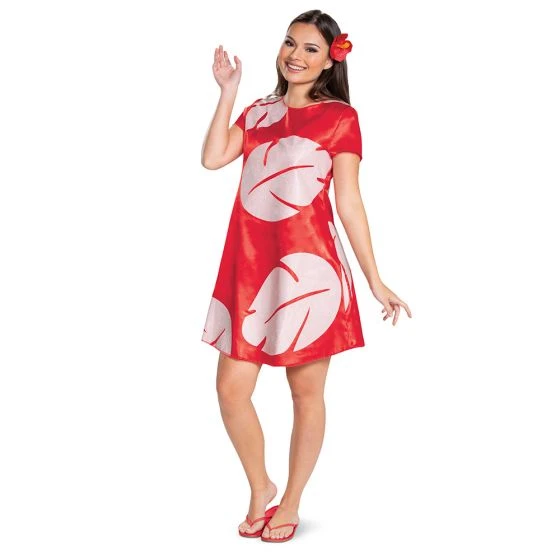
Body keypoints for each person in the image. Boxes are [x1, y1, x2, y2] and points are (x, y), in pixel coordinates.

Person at [200, 9, 412, 543]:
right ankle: (261, 487)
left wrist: (375, 280)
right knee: (230, 390)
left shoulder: (340, 118)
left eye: (311, 48)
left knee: (305, 393)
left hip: (310, 269)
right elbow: (213, 157)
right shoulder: (259, 111)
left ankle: (291, 500)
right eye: (290, 43)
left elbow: (350, 203)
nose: (295, 55)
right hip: (249, 267)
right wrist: (229, 91)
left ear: (329, 60)